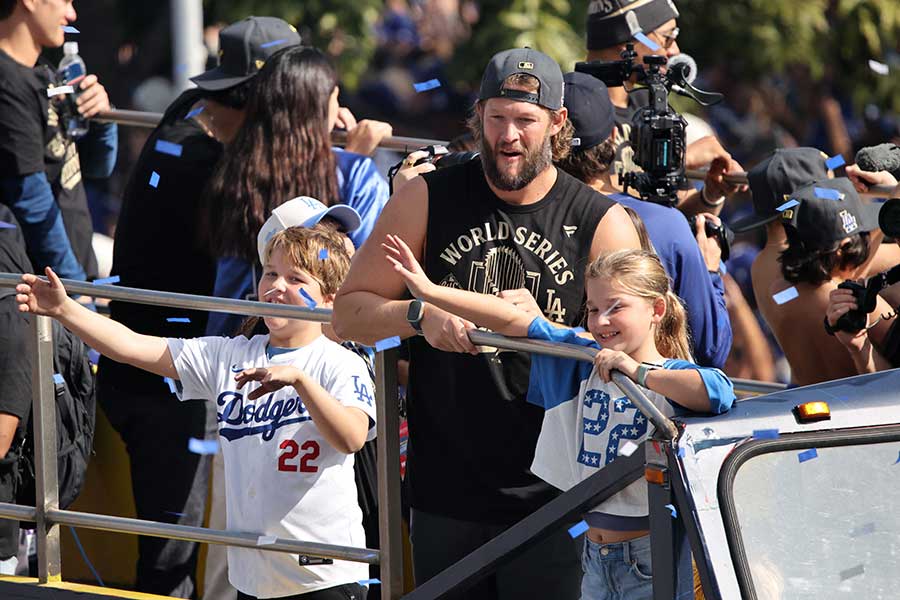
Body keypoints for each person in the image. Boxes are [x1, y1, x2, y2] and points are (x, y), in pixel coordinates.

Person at [334, 47, 640, 599]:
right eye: (496, 117)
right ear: (477, 116)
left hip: (557, 496)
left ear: (557, 122)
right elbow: (347, 313)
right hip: (444, 491)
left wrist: (544, 327)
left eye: (525, 120)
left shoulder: (601, 222)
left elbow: (636, 356)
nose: (509, 136)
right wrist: (417, 316)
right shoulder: (426, 198)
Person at [16, 226, 376, 600]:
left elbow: (351, 437)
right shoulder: (230, 354)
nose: (276, 286)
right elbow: (132, 346)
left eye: (296, 278)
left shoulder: (340, 362)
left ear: (330, 299)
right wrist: (64, 309)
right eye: (270, 272)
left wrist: (300, 381)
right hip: (254, 576)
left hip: (326, 575)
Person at [381, 236, 734, 600]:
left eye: (616, 307)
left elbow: (718, 390)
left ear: (656, 310)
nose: (602, 321)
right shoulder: (582, 359)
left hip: (652, 554)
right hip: (593, 554)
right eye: (594, 309)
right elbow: (513, 320)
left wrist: (638, 372)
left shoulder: (672, 376)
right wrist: (428, 291)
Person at [99, 17, 302, 598]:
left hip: (144, 362)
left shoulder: (186, 112)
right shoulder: (217, 166)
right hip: (169, 379)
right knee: (171, 557)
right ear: (260, 97)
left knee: (174, 546)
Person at [201, 44, 390, 338]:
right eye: (335, 97)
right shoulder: (353, 171)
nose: (339, 109)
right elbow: (366, 271)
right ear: (319, 104)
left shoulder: (234, 166)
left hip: (236, 338)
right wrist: (357, 157)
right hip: (323, 344)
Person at [557, 70, 732, 368]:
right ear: (614, 137)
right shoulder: (668, 224)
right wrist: (711, 271)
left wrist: (705, 199)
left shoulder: (527, 215)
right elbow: (711, 348)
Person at [583, 0, 743, 217]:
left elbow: (674, 211)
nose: (675, 50)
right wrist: (678, 162)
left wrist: (711, 194)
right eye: (667, 37)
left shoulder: (649, 105)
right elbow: (584, 197)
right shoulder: (574, 106)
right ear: (627, 39)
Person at [0, 0, 117, 281]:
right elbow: (31, 199)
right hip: (39, 287)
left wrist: (102, 118)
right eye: (64, 1)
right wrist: (75, 289)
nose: (71, 14)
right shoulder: (7, 81)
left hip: (71, 275)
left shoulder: (47, 74)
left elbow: (98, 168)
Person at [769, 178, 892, 386]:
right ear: (843, 247)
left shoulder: (779, 294)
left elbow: (827, 284)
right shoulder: (859, 303)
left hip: (810, 404)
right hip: (863, 409)